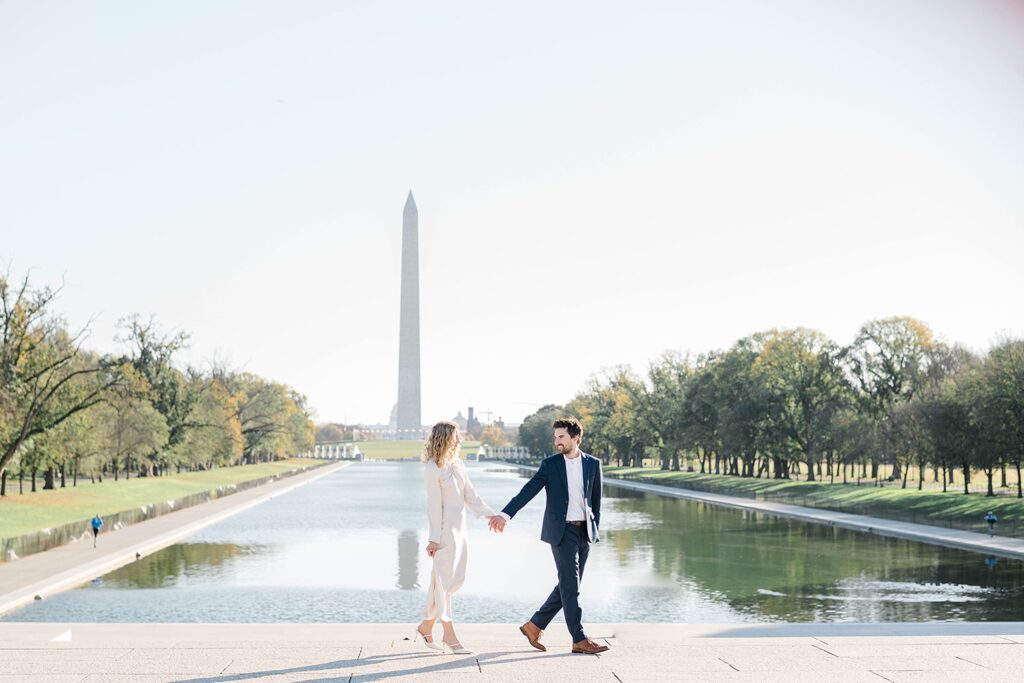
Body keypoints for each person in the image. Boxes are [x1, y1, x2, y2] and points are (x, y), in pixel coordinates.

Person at [488, 417, 609, 655]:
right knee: (570, 587)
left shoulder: (593, 464)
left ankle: (534, 626)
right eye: (555, 437)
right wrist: (505, 514)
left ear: (576, 438)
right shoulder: (550, 465)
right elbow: (528, 490)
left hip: (584, 532)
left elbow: (596, 502)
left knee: (567, 586)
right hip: (561, 532)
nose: (557, 441)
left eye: (561, 436)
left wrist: (593, 531)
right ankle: (579, 638)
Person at [417, 421, 502, 655]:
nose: (460, 440)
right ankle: (449, 636)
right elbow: (434, 507)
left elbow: (471, 496)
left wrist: (492, 515)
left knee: (449, 583)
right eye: (456, 436)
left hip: (460, 531)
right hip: (443, 533)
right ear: (445, 438)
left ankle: (426, 626)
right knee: (443, 585)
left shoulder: (458, 464)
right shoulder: (433, 468)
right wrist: (433, 539)